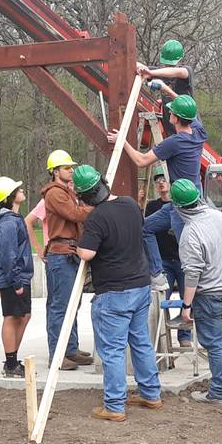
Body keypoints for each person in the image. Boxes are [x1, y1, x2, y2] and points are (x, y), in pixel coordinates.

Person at [74, 165, 163, 421]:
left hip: (114, 292)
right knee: (141, 342)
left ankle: (114, 406)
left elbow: (87, 253)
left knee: (112, 350)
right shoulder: (131, 205)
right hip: (140, 285)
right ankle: (151, 394)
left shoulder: (96, 218)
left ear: (84, 197)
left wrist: (78, 247)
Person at [106, 94, 207, 294]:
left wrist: (122, 142)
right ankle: (158, 275)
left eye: (171, 111)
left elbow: (142, 160)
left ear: (176, 118)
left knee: (186, 249)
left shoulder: (174, 142)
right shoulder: (198, 132)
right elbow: (187, 105)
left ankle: (194, 289)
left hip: (182, 206)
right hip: (194, 198)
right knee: (146, 228)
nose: (168, 112)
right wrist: (163, 87)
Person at [173, 179, 222, 405]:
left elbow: (192, 274)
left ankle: (218, 392)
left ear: (178, 206)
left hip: (211, 292)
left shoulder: (191, 232)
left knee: (214, 343)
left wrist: (186, 306)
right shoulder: (220, 217)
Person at [40, 149, 94, 371]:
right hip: (61, 255)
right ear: (54, 172)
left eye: (71, 167)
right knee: (60, 308)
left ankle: (70, 349)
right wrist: (98, 206)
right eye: (66, 168)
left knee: (72, 305)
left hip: (70, 253)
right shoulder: (55, 193)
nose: (71, 171)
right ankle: (57, 355)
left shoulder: (67, 191)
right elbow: (75, 214)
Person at [0, 176, 33, 379]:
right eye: (18, 189)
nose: (22, 189)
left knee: (23, 315)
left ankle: (12, 360)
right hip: (12, 278)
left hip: (19, 276)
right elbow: (8, 255)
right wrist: (16, 282)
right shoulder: (8, 223)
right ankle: (10, 363)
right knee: (12, 316)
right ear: (10, 197)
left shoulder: (14, 219)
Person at [144, 166, 191, 347]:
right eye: (157, 181)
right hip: (163, 260)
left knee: (188, 298)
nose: (161, 183)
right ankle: (161, 337)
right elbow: (146, 229)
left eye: (164, 180)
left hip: (181, 259)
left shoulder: (181, 206)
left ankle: (184, 335)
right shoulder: (153, 206)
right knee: (161, 296)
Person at [136, 39, 193, 136]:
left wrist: (151, 73)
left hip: (188, 131)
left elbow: (178, 72)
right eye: (167, 64)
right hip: (171, 132)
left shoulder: (186, 71)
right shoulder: (161, 73)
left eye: (171, 64)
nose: (168, 66)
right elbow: (140, 66)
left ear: (180, 61)